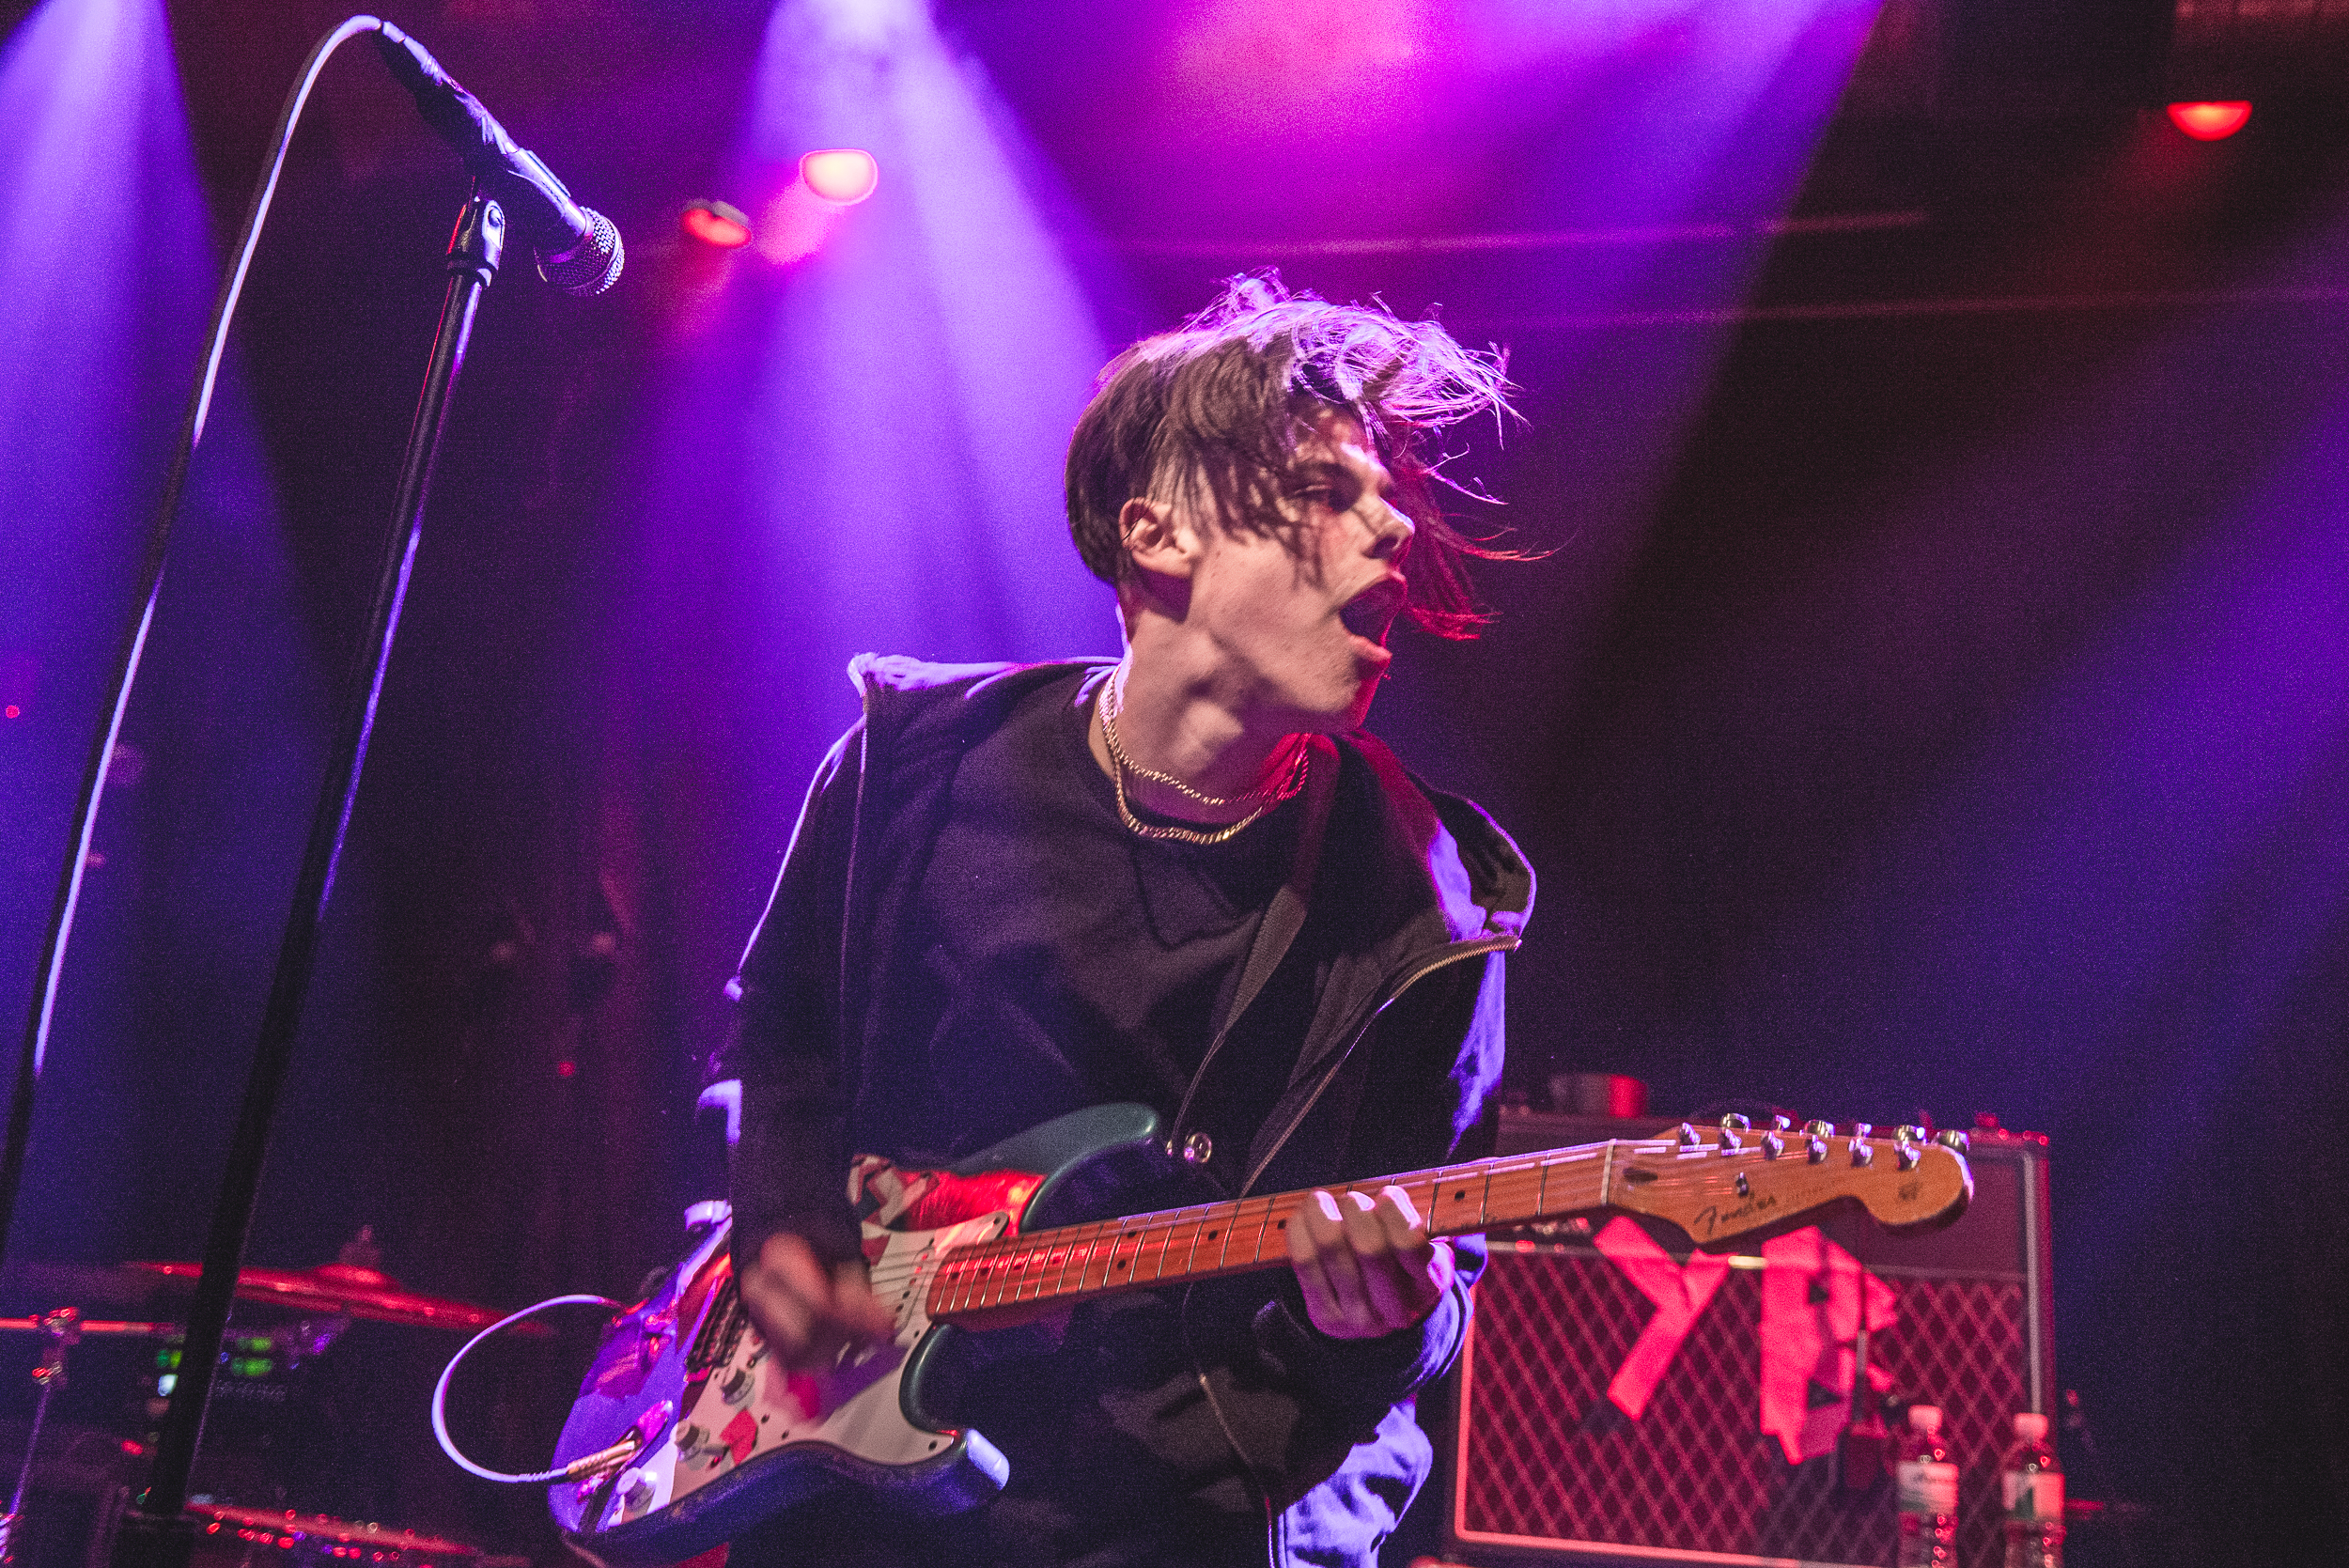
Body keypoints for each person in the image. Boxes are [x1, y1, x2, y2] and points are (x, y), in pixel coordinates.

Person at [718, 276, 1534, 1568]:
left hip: (1200, 1517)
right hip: (861, 1498)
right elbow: (782, 1047)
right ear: (1159, 536)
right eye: (1329, 493)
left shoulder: (1431, 899)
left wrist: (1375, 1315)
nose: (1393, 527)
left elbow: (1432, 1305)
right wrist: (790, 1249)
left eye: (1388, 496)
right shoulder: (909, 768)